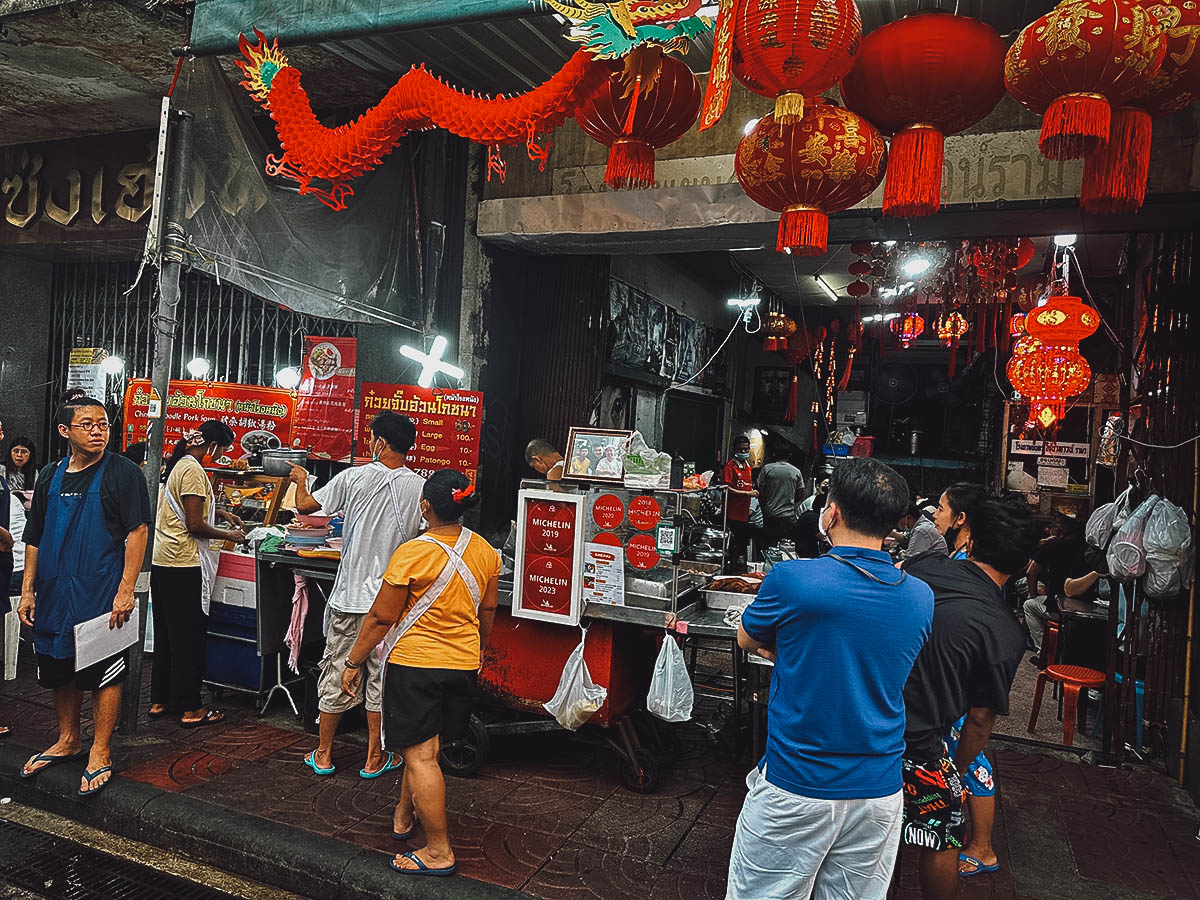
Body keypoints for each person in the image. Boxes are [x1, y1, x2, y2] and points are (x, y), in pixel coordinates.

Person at [727, 458, 934, 900]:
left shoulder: (793, 578)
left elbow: (747, 638)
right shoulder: (920, 596)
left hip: (797, 785)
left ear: (832, 512)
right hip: (879, 792)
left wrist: (790, 646)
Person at [340, 470, 501, 878]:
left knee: (421, 756)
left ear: (425, 507)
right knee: (428, 749)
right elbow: (488, 611)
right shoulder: (485, 551)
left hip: (416, 665)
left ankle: (438, 851)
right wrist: (476, 648)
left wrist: (353, 662)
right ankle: (403, 815)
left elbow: (380, 617)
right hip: (462, 664)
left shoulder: (412, 552)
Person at [899, 496, 1038, 899]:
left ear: (970, 541)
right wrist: (953, 770)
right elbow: (980, 720)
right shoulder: (1006, 633)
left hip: (861, 720)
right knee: (943, 836)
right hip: (921, 745)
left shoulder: (921, 567)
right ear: (1022, 564)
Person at [18, 397, 151, 796]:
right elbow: (34, 537)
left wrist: (126, 590)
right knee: (58, 664)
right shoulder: (49, 475)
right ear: (65, 431)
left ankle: (101, 750)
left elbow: (137, 532)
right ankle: (69, 739)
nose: (98, 430)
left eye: (104, 424)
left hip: (101, 591)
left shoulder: (123, 473)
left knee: (103, 671)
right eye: (88, 424)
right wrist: (27, 590)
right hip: (54, 591)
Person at [290, 411, 424, 779]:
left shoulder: (353, 477)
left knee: (337, 671)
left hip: (349, 598)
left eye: (371, 438)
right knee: (381, 679)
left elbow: (306, 508)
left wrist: (301, 479)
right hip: (391, 603)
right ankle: (374, 758)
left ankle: (323, 753)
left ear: (380, 442)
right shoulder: (421, 488)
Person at [149, 422, 246, 727]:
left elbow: (184, 509)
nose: (220, 456)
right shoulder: (192, 469)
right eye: (222, 450)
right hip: (184, 563)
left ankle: (160, 699)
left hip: (163, 560)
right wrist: (229, 533)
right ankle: (191, 707)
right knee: (188, 637)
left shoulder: (177, 464)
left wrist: (220, 513)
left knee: (166, 633)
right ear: (212, 445)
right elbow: (194, 524)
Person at [1022, 513, 1087, 665]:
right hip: (1084, 606)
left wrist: (1031, 595)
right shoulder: (1084, 544)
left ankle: (1043, 652)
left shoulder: (1054, 545)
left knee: (1029, 605)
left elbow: (1030, 572)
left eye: (1052, 528)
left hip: (1058, 608)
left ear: (1059, 531)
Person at [720, 435, 757, 567]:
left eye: (746, 449)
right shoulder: (730, 467)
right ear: (734, 449)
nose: (743, 452)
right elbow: (726, 488)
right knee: (731, 544)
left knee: (741, 543)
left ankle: (737, 566)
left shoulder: (748, 467)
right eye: (741, 449)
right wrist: (746, 493)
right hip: (731, 513)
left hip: (744, 514)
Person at [757, 446, 803, 550]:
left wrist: (769, 501)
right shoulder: (795, 471)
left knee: (768, 547)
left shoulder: (767, 469)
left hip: (770, 515)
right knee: (786, 548)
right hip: (788, 516)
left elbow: (761, 492)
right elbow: (800, 494)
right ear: (789, 455)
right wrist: (789, 500)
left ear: (774, 454)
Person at [933, 483, 986, 560]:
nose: (935, 515)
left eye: (941, 509)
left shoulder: (966, 560)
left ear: (961, 518)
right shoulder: (961, 554)